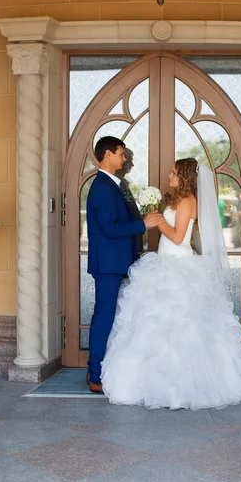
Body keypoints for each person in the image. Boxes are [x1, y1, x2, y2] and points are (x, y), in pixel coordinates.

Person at [101, 158, 241, 410]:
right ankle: (156, 385)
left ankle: (185, 388)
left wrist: (158, 222)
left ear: (185, 177)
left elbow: (179, 238)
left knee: (182, 328)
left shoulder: (189, 201)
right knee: (155, 326)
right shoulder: (176, 200)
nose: (169, 175)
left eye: (174, 173)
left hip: (178, 266)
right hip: (164, 264)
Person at [86, 136, 162, 393]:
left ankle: (106, 370)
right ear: (108, 154)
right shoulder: (104, 188)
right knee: (104, 317)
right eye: (121, 153)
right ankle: (95, 375)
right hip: (108, 263)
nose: (125, 158)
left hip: (118, 261)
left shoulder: (115, 185)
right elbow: (109, 228)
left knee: (113, 316)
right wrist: (144, 225)